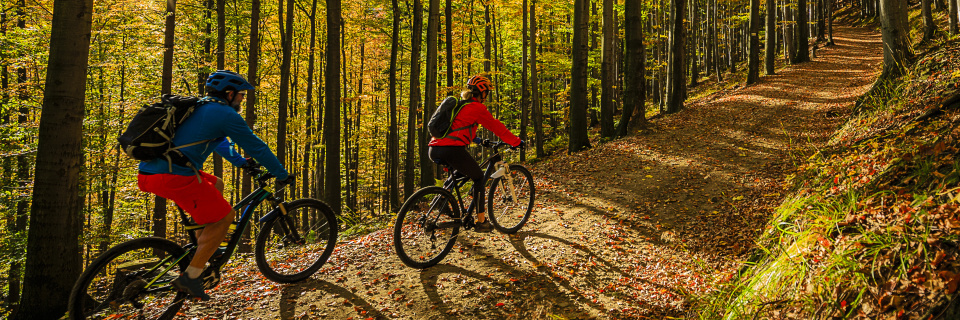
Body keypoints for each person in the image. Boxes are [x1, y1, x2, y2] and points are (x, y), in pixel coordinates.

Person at [137, 70, 291, 300]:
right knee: (225, 217)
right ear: (228, 94)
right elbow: (257, 147)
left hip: (152, 171)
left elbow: (219, 143)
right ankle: (191, 277)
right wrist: (281, 173)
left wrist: (241, 163)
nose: (241, 99)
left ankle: (203, 247)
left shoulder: (200, 107)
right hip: (173, 175)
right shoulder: (224, 114)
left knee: (215, 183)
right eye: (240, 95)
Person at [428, 75, 523, 233]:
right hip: (452, 149)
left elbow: (459, 130)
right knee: (479, 177)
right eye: (487, 92)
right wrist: (516, 142)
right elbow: (496, 127)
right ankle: (481, 222)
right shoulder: (477, 108)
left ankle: (442, 199)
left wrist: (479, 141)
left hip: (435, 148)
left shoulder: (461, 105)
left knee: (460, 173)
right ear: (482, 92)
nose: (487, 96)